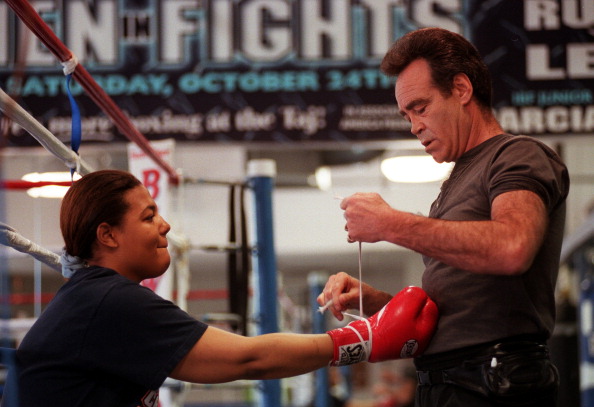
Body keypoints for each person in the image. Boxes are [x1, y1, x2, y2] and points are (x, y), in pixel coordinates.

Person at [11, 169, 438, 407]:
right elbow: (249, 359)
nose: (165, 225)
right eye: (147, 216)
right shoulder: (107, 300)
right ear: (107, 235)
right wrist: (362, 341)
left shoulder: (95, 296)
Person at [318, 27, 569, 407]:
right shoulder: (454, 185)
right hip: (451, 383)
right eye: (407, 115)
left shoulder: (517, 155)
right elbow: (448, 319)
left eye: (421, 108)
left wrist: (389, 223)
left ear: (462, 90)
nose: (415, 126)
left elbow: (512, 248)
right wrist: (376, 302)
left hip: (497, 379)